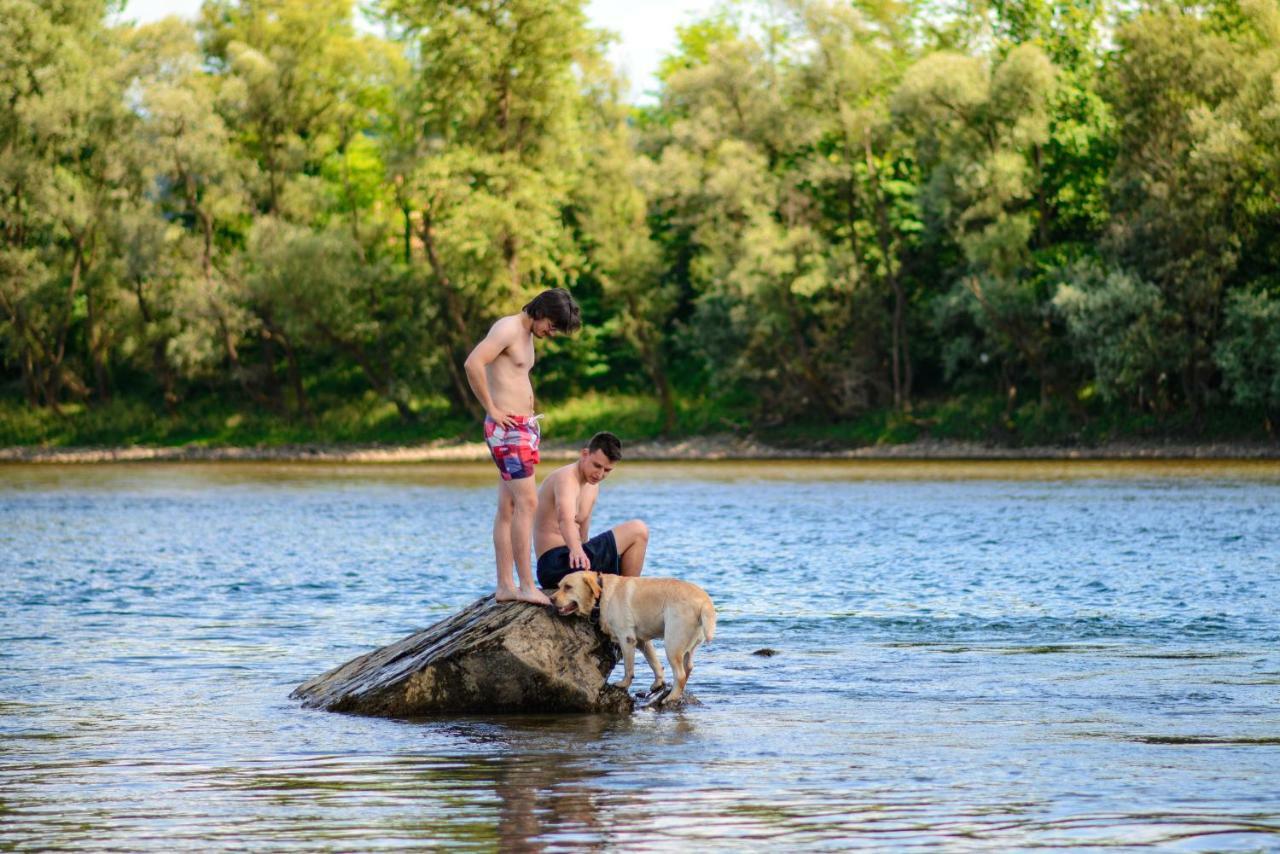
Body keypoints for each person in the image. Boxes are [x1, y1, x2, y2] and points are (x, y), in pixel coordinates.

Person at [464, 288, 581, 605]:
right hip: (508, 430)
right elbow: (473, 363)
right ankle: (527, 586)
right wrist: (491, 407)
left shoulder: (526, 335)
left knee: (509, 508)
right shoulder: (508, 328)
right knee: (528, 503)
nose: (551, 333)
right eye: (552, 326)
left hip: (522, 429)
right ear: (541, 311)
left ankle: (506, 586)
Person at [533, 431, 649, 590]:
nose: (600, 474)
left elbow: (583, 534)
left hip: (577, 559)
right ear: (585, 454)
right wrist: (576, 549)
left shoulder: (592, 486)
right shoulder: (566, 478)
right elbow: (565, 520)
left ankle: (624, 594)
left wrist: (586, 556)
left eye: (607, 470)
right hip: (555, 564)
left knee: (632, 542)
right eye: (597, 466)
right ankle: (627, 595)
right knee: (638, 529)